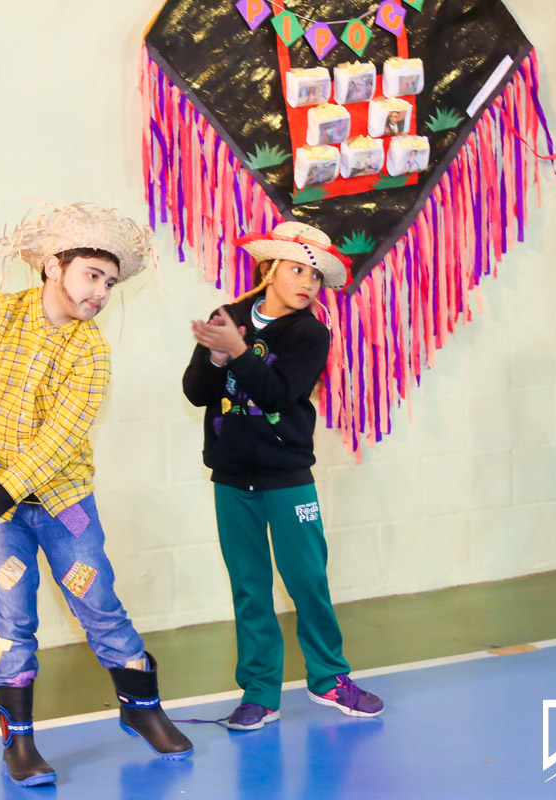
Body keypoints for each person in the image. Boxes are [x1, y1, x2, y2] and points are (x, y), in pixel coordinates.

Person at [0, 203, 192, 787]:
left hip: (63, 504)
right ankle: (19, 744)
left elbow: (59, 441)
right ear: (54, 266)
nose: (100, 292)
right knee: (10, 619)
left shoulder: (92, 351)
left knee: (97, 603)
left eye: (110, 282)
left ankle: (141, 709)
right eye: (92, 276)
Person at [181, 221, 383, 731]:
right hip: (231, 479)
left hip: (287, 478)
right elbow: (196, 392)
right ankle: (259, 693)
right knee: (249, 587)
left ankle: (329, 678)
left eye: (315, 277)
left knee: (307, 580)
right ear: (269, 270)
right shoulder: (227, 317)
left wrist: (238, 351)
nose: (308, 283)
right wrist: (216, 355)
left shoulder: (310, 333)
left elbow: (277, 394)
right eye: (297, 270)